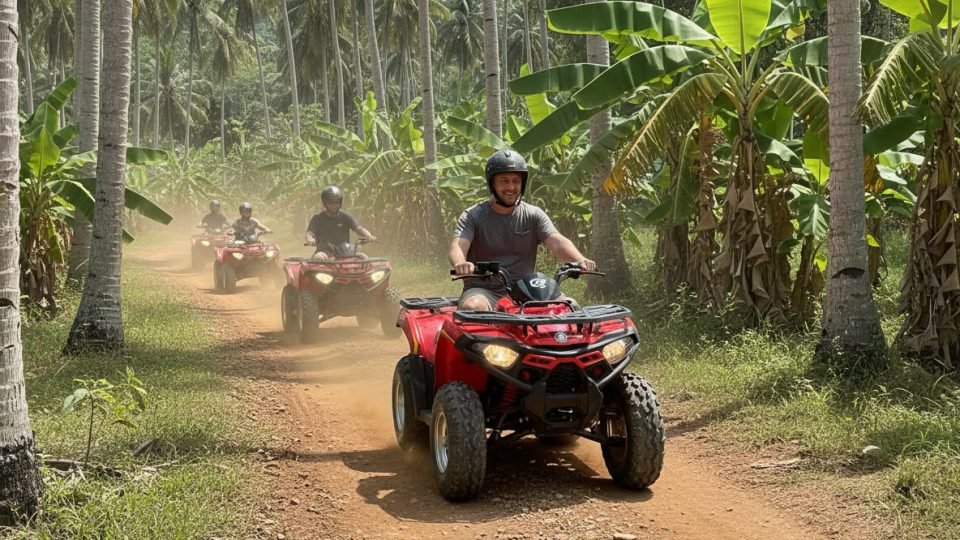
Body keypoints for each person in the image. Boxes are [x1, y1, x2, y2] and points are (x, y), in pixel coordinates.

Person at [449, 149, 597, 311]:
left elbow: (557, 241)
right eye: (504, 181)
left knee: (570, 306)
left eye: (516, 181)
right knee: (473, 306)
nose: (511, 187)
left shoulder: (533, 214)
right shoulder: (473, 215)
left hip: (527, 289)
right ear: (492, 183)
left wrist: (579, 260)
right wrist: (461, 263)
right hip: (485, 290)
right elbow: (458, 245)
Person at [305, 186, 377, 260]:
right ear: (324, 203)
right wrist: (310, 239)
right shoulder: (317, 218)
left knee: (363, 257)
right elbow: (309, 233)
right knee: (319, 257)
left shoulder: (346, 216)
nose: (334, 205)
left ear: (340, 203)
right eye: (330, 202)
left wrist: (369, 236)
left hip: (345, 252)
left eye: (337, 202)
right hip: (325, 252)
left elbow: (359, 229)